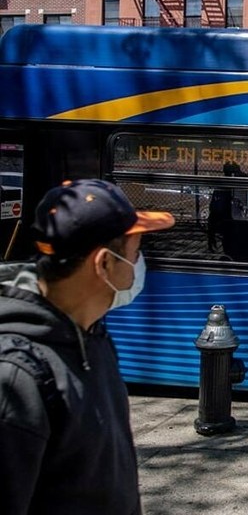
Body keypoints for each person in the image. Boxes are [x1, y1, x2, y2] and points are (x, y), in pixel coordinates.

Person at [0, 179, 175, 514]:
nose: (139, 261)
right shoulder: (14, 377)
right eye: (136, 250)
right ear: (104, 264)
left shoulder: (92, 336)